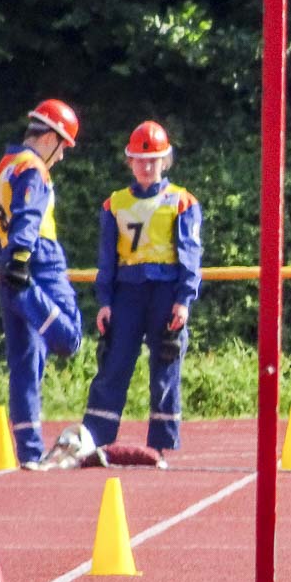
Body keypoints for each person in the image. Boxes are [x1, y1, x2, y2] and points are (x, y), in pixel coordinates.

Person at [60, 121, 201, 464]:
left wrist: (184, 299)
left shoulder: (181, 201)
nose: (146, 166)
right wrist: (105, 302)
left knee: (165, 365)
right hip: (126, 293)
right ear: (130, 162)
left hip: (165, 292)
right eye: (140, 160)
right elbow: (107, 258)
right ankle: (96, 436)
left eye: (153, 160)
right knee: (114, 363)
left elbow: (190, 253)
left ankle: (161, 444)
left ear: (165, 161)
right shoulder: (114, 204)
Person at [0, 100, 85, 467]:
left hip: (3, 262)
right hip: (36, 258)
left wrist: (5, 262)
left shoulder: (2, 168)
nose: (61, 157)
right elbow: (28, 215)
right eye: (62, 148)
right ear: (50, 138)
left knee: (25, 360)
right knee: (71, 337)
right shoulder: (33, 169)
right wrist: (20, 261)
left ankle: (30, 453)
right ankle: (26, 293)